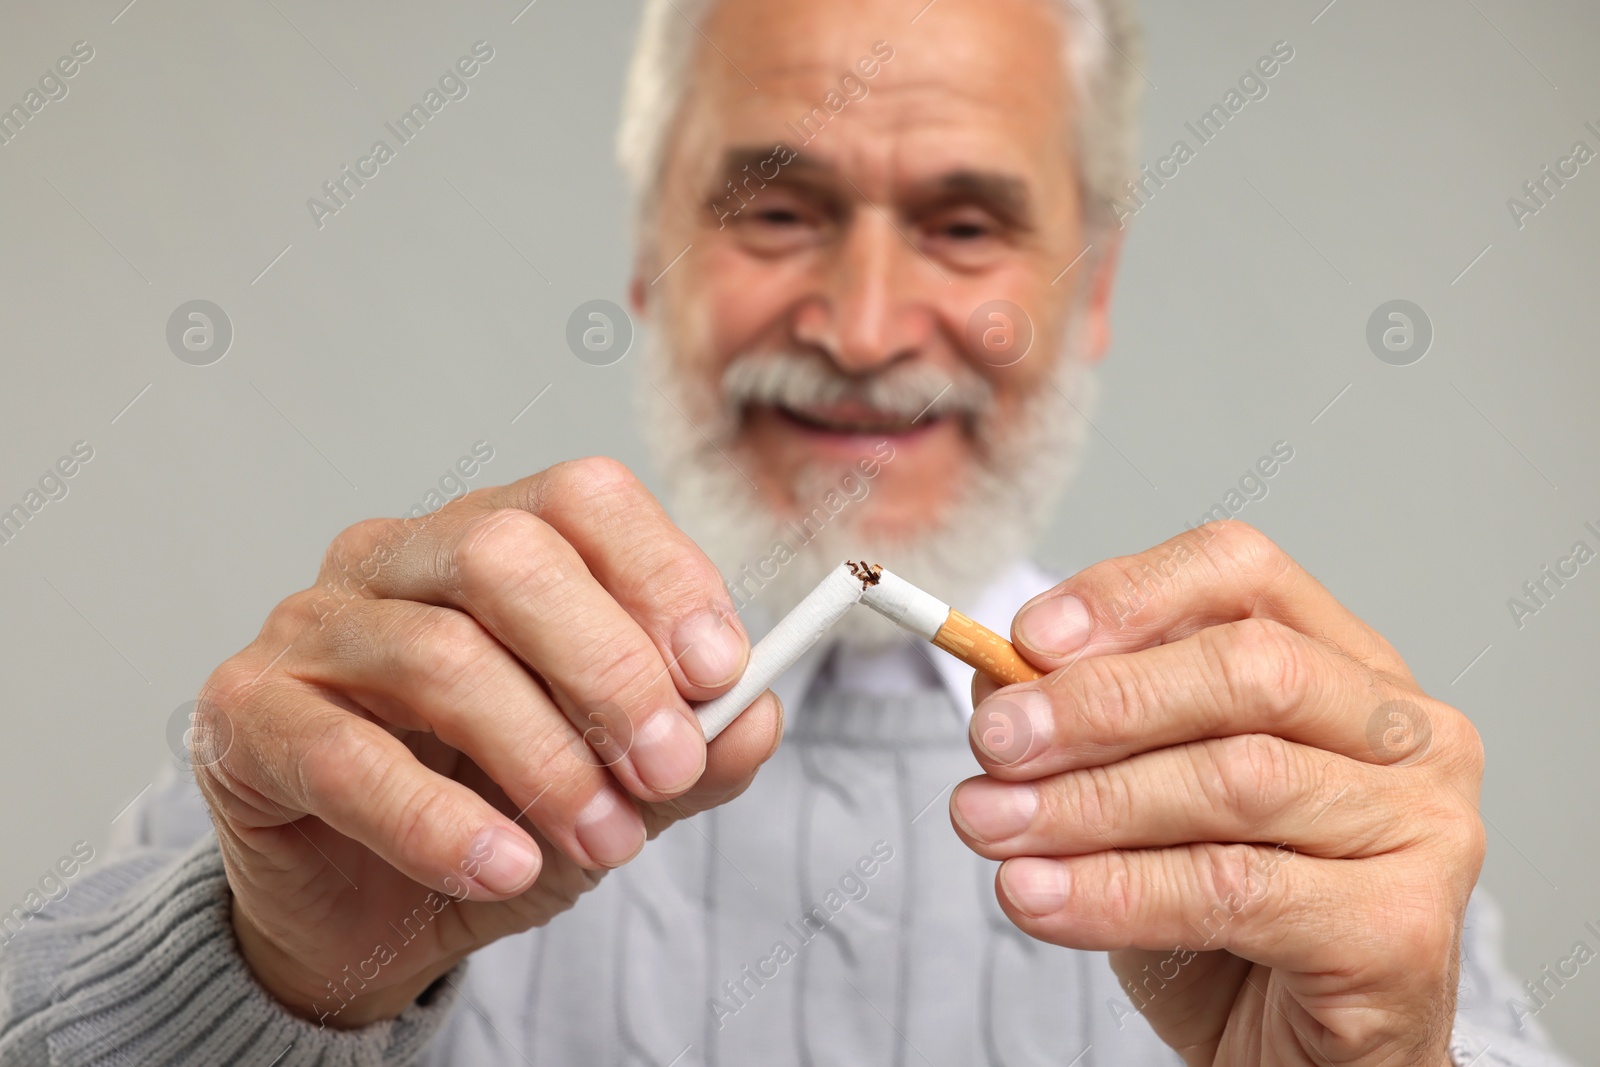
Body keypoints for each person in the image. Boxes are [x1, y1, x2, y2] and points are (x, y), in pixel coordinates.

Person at [0, 0, 1576, 1063]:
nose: (869, 326)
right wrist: (273, 982)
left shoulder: (1286, 814)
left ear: (1088, 291)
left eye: (965, 224)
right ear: (650, 260)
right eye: (774, 206)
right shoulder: (391, 744)